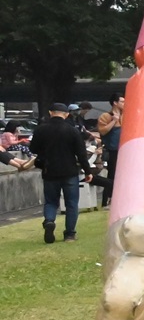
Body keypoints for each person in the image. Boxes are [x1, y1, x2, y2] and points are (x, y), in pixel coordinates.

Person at [29, 104, 88, 244]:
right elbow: (81, 154)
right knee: (71, 203)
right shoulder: (72, 130)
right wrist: (88, 171)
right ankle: (69, 234)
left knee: (51, 201)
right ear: (66, 114)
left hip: (49, 171)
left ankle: (49, 221)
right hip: (69, 171)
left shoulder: (41, 129)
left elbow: (33, 148)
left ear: (51, 113)